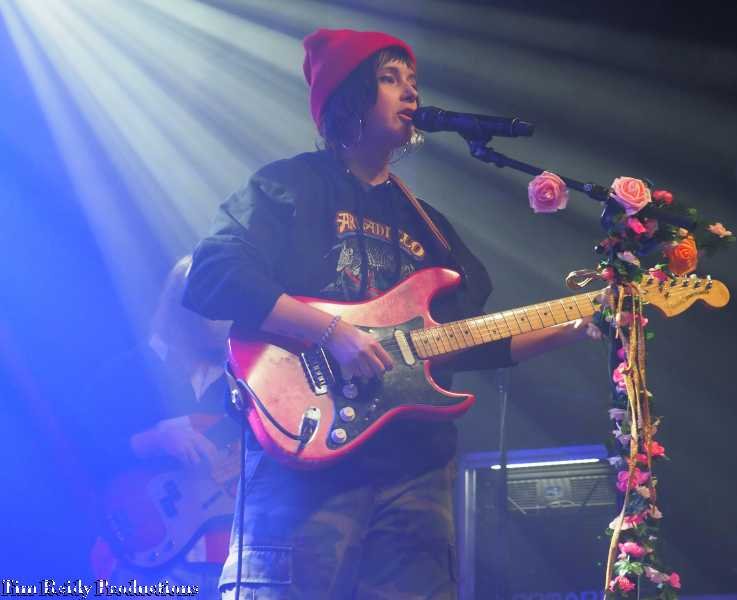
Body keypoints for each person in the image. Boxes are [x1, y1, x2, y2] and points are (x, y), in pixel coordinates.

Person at [182, 28, 601, 599]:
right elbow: (214, 273)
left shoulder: (427, 225)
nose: (410, 92)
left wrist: (572, 327)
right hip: (306, 452)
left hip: (415, 470)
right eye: (389, 78)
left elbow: (468, 339)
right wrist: (332, 331)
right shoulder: (289, 186)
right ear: (349, 95)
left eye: (413, 81)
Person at [84, 256, 233, 599]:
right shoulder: (122, 374)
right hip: (148, 563)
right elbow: (90, 453)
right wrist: (156, 439)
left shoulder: (236, 379)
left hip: (227, 558)